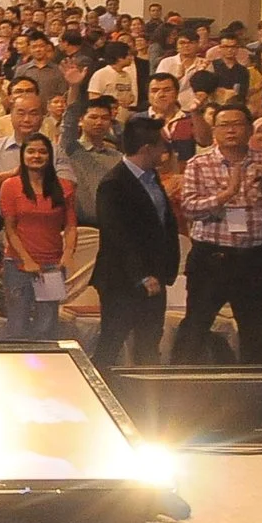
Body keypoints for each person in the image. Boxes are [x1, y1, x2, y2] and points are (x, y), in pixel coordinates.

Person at [173, 103, 262, 364]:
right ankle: (180, 387)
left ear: (249, 129)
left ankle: (255, 396)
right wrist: (226, 194)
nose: (231, 130)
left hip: (255, 259)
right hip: (212, 257)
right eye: (224, 125)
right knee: (195, 326)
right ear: (214, 130)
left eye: (237, 124)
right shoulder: (199, 163)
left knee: (255, 332)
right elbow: (189, 208)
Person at [90, 119, 182, 368]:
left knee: (149, 344)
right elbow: (117, 235)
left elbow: (164, 224)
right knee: (111, 342)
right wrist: (141, 274)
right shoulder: (114, 183)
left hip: (156, 274)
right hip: (122, 280)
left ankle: (146, 399)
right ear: (146, 148)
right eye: (160, 146)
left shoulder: (152, 178)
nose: (164, 151)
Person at [0, 133, 76, 339]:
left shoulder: (64, 186)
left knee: (47, 325)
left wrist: (67, 254)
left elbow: (70, 226)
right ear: (23, 155)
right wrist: (27, 260)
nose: (36, 156)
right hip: (18, 264)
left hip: (52, 265)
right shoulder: (10, 185)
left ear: (50, 156)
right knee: (18, 324)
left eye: (42, 151)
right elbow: (10, 229)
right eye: (31, 151)